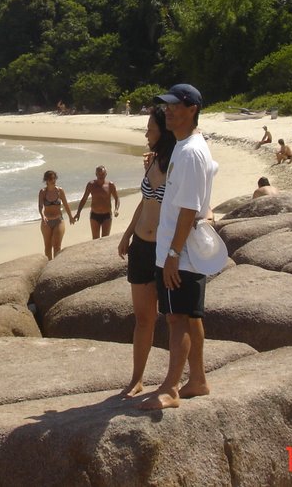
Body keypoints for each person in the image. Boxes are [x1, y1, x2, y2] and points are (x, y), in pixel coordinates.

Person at [140, 83, 217, 410]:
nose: (168, 110)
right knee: (190, 317)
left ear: (192, 109)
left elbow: (188, 208)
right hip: (181, 250)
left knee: (177, 318)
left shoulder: (189, 152)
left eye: (175, 106)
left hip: (179, 252)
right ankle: (197, 379)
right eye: (166, 106)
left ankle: (171, 388)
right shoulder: (188, 147)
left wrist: (172, 255)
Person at [117, 106, 177, 397]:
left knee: (174, 318)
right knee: (143, 319)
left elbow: (190, 205)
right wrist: (127, 235)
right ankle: (136, 379)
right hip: (141, 246)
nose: (146, 134)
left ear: (164, 132)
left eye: (150, 129)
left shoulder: (179, 162)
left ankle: (173, 381)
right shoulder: (152, 162)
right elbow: (145, 203)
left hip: (164, 248)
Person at [74, 165, 121, 239]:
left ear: (106, 174)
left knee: (105, 239)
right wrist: (78, 212)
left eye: (102, 174)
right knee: (95, 240)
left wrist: (116, 209)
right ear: (96, 174)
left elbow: (117, 198)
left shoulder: (110, 185)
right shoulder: (91, 185)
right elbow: (84, 199)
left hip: (107, 215)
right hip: (94, 215)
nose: (101, 176)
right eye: (99, 174)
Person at [38, 170, 75, 260]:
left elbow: (66, 204)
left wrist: (71, 217)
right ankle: (48, 266)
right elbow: (40, 206)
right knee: (47, 247)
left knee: (57, 246)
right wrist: (43, 216)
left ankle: (55, 267)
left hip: (58, 220)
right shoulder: (43, 192)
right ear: (46, 180)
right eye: (50, 179)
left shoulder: (59, 191)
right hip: (46, 222)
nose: (53, 180)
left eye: (54, 178)